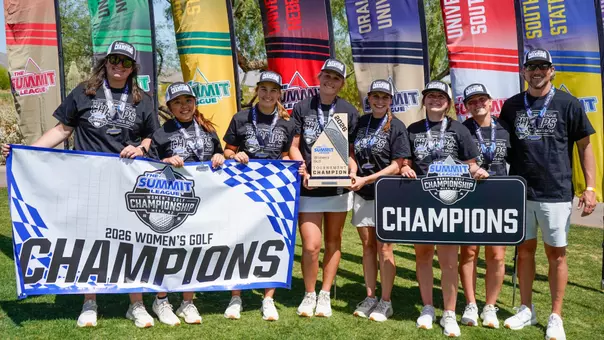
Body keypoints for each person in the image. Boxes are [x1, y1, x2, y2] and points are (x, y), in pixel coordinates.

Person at [2, 41, 159, 328]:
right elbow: (62, 130)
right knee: (91, 241)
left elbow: (153, 135)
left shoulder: (142, 99)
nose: (118, 66)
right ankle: (89, 302)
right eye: (114, 59)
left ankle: (135, 303)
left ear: (132, 68)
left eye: (125, 62)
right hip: (89, 181)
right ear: (105, 61)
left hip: (129, 184)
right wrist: (27, 152)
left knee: (131, 241)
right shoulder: (84, 92)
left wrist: (142, 149)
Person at [499, 48, 597, 340]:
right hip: (521, 190)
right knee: (524, 251)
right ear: (524, 71)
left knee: (556, 254)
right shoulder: (512, 106)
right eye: (532, 66)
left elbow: (585, 147)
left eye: (543, 66)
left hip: (555, 190)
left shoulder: (569, 103)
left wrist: (590, 187)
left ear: (552, 71)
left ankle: (556, 316)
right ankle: (527, 309)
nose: (537, 71)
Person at [401, 80, 488, 337]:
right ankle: (428, 307)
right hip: (422, 200)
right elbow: (406, 161)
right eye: (430, 96)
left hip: (452, 200)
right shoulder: (413, 129)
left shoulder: (459, 129)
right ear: (424, 100)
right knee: (423, 256)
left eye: (441, 96)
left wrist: (477, 171)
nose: (435, 100)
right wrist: (405, 166)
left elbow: (471, 163)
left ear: (448, 103)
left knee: (449, 260)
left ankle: (449, 312)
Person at [147, 82, 225, 325]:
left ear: (195, 102)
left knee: (195, 249)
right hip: (171, 200)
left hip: (204, 202)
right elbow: (147, 170)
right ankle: (161, 299)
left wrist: (219, 155)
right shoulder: (161, 133)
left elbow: (220, 154)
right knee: (168, 249)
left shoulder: (208, 129)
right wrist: (166, 161)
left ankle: (187, 302)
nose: (184, 106)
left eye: (188, 101)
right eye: (178, 102)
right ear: (169, 107)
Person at [222, 71, 296, 321]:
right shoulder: (241, 117)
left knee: (273, 241)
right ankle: (236, 297)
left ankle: (268, 298)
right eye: (263, 89)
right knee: (239, 241)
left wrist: (295, 167)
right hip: (243, 189)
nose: (268, 94)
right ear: (256, 91)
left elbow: (286, 155)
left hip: (275, 190)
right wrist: (235, 155)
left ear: (279, 94)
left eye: (273, 90)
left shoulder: (287, 122)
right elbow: (227, 151)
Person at [288, 58, 360, 318]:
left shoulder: (349, 111)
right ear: (319, 78)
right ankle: (309, 294)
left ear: (342, 83)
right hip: (309, 187)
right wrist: (303, 169)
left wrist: (352, 170)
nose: (330, 81)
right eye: (326, 76)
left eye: (336, 77)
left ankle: (325, 293)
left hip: (337, 188)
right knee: (310, 246)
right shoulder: (302, 107)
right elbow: (294, 146)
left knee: (333, 241)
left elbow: (351, 152)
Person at [350, 79, 410, 322]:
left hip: (385, 193)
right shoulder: (361, 122)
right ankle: (370, 296)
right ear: (369, 98)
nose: (379, 101)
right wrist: (354, 172)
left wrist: (368, 178)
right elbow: (352, 152)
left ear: (390, 101)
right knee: (367, 247)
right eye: (375, 96)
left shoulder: (397, 126)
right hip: (362, 193)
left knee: (385, 247)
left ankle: (386, 301)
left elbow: (397, 165)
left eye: (385, 97)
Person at [458, 83, 510, 329]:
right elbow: (454, 162)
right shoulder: (461, 129)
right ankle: (470, 302)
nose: (477, 105)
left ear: (490, 102)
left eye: (482, 100)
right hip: (469, 196)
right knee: (469, 252)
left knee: (497, 255)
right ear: (466, 107)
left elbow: (518, 160)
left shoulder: (505, 129)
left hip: (499, 197)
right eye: (472, 102)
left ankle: (490, 305)